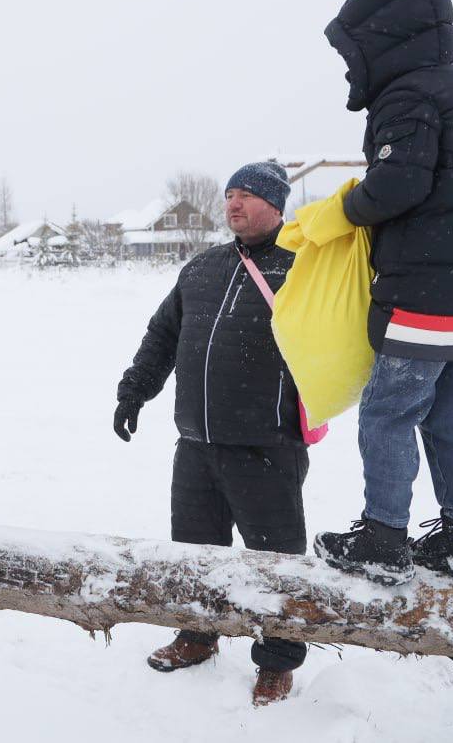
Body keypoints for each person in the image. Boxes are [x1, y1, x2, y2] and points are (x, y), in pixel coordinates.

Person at [314, 0, 453, 586]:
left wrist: (343, 209)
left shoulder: (408, 94)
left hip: (430, 291)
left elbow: (399, 183)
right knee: (451, 414)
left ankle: (382, 537)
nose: (349, 69)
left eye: (351, 54)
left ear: (381, 41)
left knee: (388, 413)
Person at [113, 162, 307, 707]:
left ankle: (277, 662)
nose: (233, 204)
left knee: (276, 560)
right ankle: (197, 635)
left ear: (276, 205)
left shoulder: (304, 267)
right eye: (229, 195)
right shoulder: (203, 268)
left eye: (247, 195)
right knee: (195, 552)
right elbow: (163, 335)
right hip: (195, 441)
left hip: (266, 442)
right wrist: (134, 390)